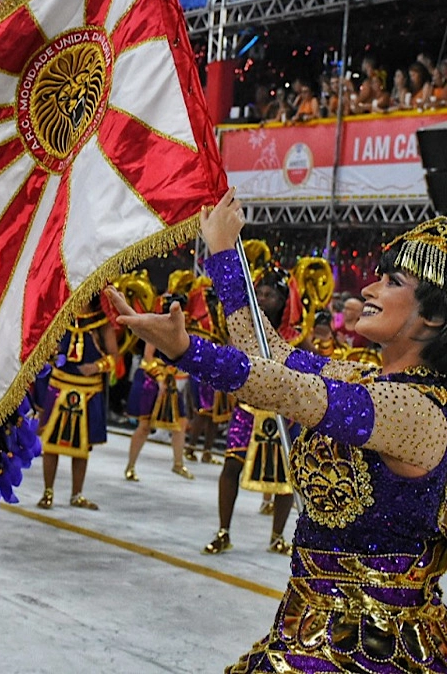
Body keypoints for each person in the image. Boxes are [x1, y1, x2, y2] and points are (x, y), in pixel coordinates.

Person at [108, 190, 447, 672]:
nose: (369, 290)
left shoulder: (416, 409)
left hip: (372, 653)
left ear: (432, 316)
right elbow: (267, 353)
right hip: (305, 630)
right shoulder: (364, 379)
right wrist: (225, 250)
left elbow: (283, 388)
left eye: (391, 281)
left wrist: (187, 351)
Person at [199, 260, 302, 556]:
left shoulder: (296, 334)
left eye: (270, 295)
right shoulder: (245, 329)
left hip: (284, 414)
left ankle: (277, 536)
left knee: (286, 477)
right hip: (247, 410)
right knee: (231, 465)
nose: (264, 299)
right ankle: (223, 531)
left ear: (284, 301)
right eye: (261, 293)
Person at [35, 298, 119, 510]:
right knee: (51, 445)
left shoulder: (101, 321)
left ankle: (76, 494)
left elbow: (115, 357)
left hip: (89, 390)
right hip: (59, 385)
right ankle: (48, 491)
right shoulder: (61, 314)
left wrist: (97, 366)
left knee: (82, 447)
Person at [123, 294, 195, 482]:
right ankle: (130, 466)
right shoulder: (155, 328)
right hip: (152, 382)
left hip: (171, 382)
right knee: (145, 426)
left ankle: (178, 463)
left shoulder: (181, 330)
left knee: (181, 422)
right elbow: (148, 357)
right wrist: (161, 378)